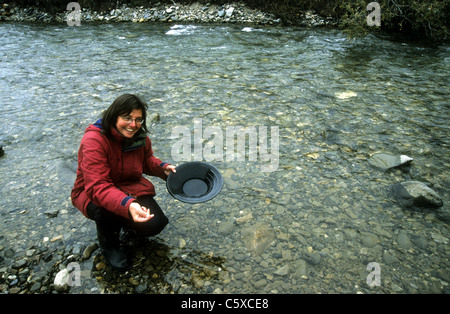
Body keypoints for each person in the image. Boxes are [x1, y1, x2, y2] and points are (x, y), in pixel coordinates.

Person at [71, 94, 176, 270]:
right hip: (91, 193)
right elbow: (97, 187)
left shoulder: (139, 136)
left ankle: (126, 223)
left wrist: (162, 168)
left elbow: (146, 160)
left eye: (138, 119)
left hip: (128, 187)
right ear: (114, 116)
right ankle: (109, 247)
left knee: (156, 224)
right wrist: (128, 205)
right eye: (127, 118)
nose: (133, 125)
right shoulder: (94, 140)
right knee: (106, 208)